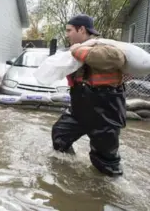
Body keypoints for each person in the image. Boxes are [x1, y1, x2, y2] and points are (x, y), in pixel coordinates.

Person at [51, 14, 127, 177]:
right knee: (60, 135)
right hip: (80, 110)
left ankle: (110, 193)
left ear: (82, 29)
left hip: (105, 115)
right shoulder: (77, 50)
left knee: (105, 162)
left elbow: (116, 60)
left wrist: (76, 50)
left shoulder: (105, 47)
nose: (67, 34)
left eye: (69, 30)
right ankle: (68, 172)